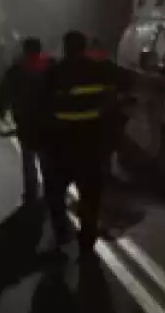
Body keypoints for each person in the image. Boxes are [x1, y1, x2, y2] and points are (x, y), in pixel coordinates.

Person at [39, 31, 131, 248]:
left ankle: (62, 232)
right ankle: (87, 237)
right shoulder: (101, 70)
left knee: (55, 194)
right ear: (84, 48)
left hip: (60, 146)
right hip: (91, 146)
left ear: (65, 48)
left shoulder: (53, 74)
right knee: (90, 195)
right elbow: (130, 81)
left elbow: (39, 108)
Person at [0, 37, 52, 204]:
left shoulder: (16, 69)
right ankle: (50, 192)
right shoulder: (51, 66)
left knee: (28, 159)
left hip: (25, 120)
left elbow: (4, 90)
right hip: (47, 120)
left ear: (25, 50)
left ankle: (31, 193)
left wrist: (1, 110)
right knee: (47, 159)